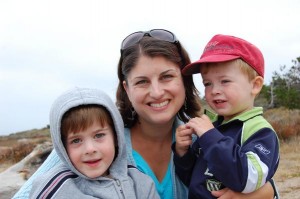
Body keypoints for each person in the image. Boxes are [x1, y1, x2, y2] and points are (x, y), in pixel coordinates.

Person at [13, 29, 277, 199]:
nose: (156, 91)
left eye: (167, 77)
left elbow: (256, 176)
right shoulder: (98, 143)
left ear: (184, 81)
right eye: (141, 82)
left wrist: (266, 191)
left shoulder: (203, 139)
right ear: (126, 89)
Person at [173, 34, 280, 198]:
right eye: (207, 83)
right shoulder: (212, 127)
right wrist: (183, 153)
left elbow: (247, 179)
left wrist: (210, 137)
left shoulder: (260, 131)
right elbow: (192, 179)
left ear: (255, 85)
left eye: (225, 81)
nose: (214, 90)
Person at [30, 87, 159, 198]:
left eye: (99, 135)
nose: (90, 149)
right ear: (63, 147)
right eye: (76, 140)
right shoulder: (53, 189)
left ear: (116, 137)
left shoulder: (140, 182)